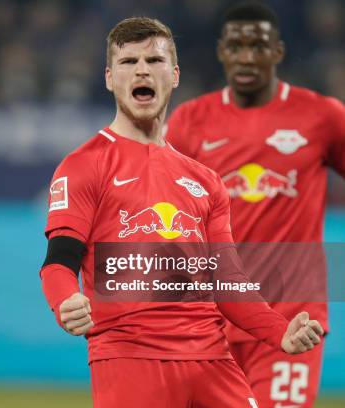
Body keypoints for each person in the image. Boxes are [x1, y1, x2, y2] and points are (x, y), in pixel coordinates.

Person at [39, 16, 324, 408]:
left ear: (173, 75)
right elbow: (58, 260)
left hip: (213, 359)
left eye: (154, 61)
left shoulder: (206, 180)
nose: (142, 69)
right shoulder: (85, 165)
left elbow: (228, 281)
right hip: (131, 358)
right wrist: (65, 301)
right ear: (109, 77)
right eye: (128, 62)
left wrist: (279, 332)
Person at [165, 2, 345, 407]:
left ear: (277, 52)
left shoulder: (321, 117)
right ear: (221, 52)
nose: (247, 56)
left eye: (258, 46)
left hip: (292, 319)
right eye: (236, 46)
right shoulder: (191, 121)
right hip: (213, 321)